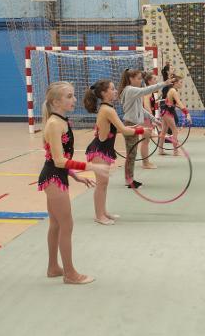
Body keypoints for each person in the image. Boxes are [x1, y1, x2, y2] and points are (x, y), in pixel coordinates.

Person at [37, 81, 109, 284]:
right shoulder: (54, 124)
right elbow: (58, 160)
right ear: (55, 101)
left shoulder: (62, 121)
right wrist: (92, 167)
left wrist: (74, 175)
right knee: (66, 225)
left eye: (73, 95)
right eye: (69, 96)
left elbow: (57, 157)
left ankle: (53, 267)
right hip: (53, 177)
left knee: (56, 224)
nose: (74, 99)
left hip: (57, 175)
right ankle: (70, 273)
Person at [84, 79, 148, 225]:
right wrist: (141, 130)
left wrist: (139, 127)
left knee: (104, 184)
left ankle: (103, 212)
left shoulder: (107, 108)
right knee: (101, 184)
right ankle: (99, 216)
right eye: (112, 89)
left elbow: (117, 129)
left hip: (104, 149)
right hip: (99, 150)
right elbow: (124, 130)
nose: (115, 91)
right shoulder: (108, 110)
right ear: (104, 93)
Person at [118, 69, 173, 188]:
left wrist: (153, 119)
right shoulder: (130, 90)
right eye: (138, 78)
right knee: (131, 153)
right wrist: (164, 83)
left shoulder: (133, 92)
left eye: (140, 78)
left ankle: (130, 178)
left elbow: (140, 109)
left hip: (134, 124)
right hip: (130, 124)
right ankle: (129, 180)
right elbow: (146, 90)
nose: (140, 81)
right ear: (131, 79)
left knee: (132, 153)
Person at [158, 73, 192, 156]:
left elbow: (171, 102)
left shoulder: (172, 90)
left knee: (164, 131)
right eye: (180, 82)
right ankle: (175, 151)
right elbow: (179, 103)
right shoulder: (173, 90)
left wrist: (181, 108)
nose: (182, 84)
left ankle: (160, 150)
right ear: (175, 83)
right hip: (167, 112)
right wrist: (187, 113)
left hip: (164, 111)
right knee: (175, 131)